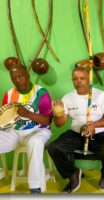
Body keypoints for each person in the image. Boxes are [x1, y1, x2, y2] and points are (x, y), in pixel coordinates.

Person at [47, 67, 104, 193]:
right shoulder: (67, 97)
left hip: (100, 133)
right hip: (77, 133)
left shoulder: (101, 95)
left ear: (89, 79)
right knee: (54, 147)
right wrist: (58, 113)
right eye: (75, 79)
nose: (78, 81)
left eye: (82, 78)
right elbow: (59, 124)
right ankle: (73, 174)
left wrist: (95, 125)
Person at [0, 64, 53, 194]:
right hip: (15, 132)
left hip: (39, 130)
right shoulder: (9, 94)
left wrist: (28, 114)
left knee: (35, 142)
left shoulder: (41, 92)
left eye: (21, 76)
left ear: (27, 75)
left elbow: (47, 121)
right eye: (14, 78)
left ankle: (35, 187)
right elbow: (5, 120)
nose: (18, 80)